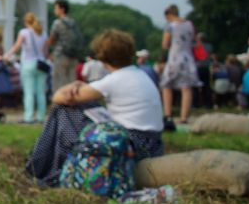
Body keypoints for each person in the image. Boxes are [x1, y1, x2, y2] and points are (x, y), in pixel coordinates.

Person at [26, 29, 164, 187]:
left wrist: (74, 84)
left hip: (131, 146)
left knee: (63, 109)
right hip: (152, 144)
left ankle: (48, 168)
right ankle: (46, 164)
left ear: (102, 57)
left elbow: (57, 97)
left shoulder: (113, 80)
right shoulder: (138, 74)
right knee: (83, 104)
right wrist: (80, 87)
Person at [160, 4, 200, 125]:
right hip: (188, 58)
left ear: (169, 15)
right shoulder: (190, 24)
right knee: (186, 88)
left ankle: (167, 115)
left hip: (175, 58)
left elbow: (165, 44)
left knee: (166, 86)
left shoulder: (170, 26)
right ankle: (184, 117)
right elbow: (195, 41)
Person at [6, 12, 49, 124]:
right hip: (41, 64)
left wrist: (7, 55)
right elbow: (45, 51)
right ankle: (40, 116)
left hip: (28, 63)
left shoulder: (24, 32)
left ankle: (28, 117)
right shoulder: (43, 33)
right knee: (41, 92)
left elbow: (17, 46)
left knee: (28, 92)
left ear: (26, 22)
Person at [47, 0, 82, 94]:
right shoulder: (73, 23)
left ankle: (60, 106)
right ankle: (72, 106)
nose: (55, 10)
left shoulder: (58, 23)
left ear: (62, 9)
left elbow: (52, 40)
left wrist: (47, 49)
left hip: (61, 54)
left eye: (56, 8)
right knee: (71, 81)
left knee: (59, 82)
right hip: (73, 55)